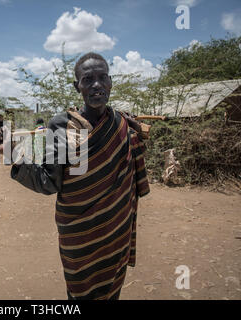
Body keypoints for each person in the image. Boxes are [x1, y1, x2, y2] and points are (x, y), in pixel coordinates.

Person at [10, 52, 150, 300]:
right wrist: (17, 158)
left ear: (110, 82)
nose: (96, 85)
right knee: (81, 293)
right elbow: (48, 182)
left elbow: (129, 162)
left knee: (112, 290)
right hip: (79, 234)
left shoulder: (121, 123)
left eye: (102, 77)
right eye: (88, 79)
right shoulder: (62, 125)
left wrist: (136, 133)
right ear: (78, 87)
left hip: (116, 229)